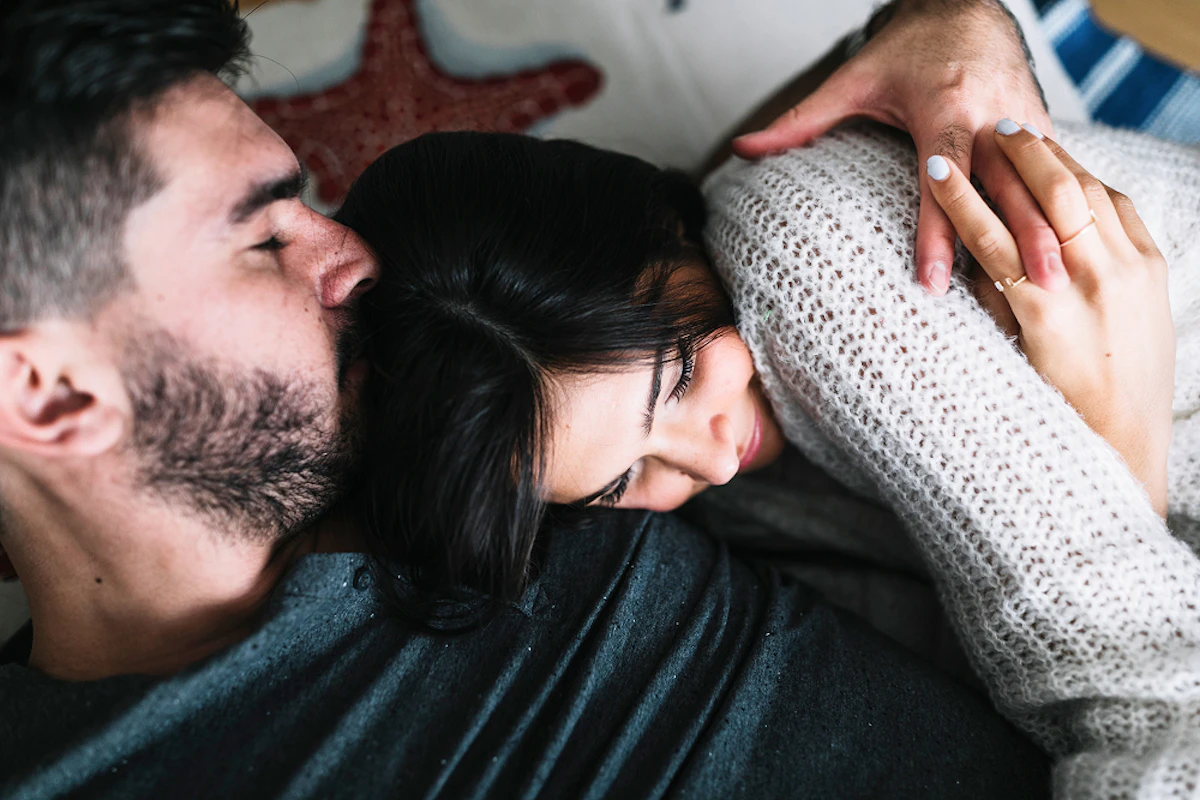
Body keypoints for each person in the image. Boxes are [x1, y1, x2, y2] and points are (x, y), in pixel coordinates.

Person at [0, 0, 1065, 796]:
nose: (351, 258)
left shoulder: (430, 382)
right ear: (47, 395)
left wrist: (947, 29)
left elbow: (640, 263)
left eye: (310, 202)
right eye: (264, 239)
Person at [337, 108, 1200, 800]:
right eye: (622, 478)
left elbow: (1153, 703)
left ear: (659, 228)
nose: (709, 462)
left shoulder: (810, 257)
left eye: (675, 383)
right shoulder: (741, 496)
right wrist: (1129, 457)